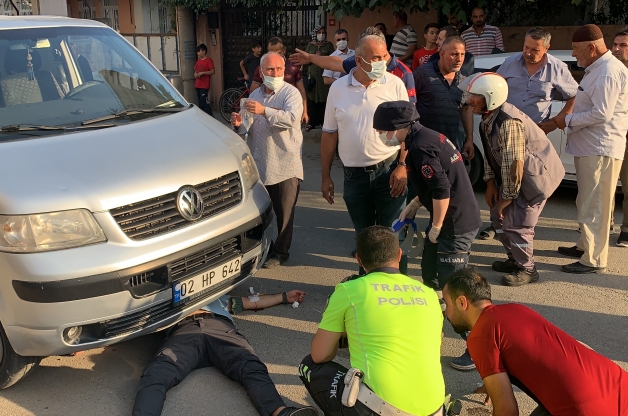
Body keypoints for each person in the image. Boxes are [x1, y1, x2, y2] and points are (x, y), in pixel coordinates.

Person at [376, 100, 480, 372]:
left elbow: (442, 188)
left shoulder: (421, 146)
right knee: (431, 277)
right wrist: (413, 206)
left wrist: (436, 225)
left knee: (453, 288)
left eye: (383, 131)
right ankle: (434, 331)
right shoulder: (424, 138)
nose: (382, 136)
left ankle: (477, 346)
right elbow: (431, 186)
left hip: (455, 225)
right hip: (449, 220)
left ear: (398, 127)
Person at [298, 226, 446, 416]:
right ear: (399, 255)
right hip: (434, 409)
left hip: (382, 410)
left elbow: (320, 355)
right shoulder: (429, 294)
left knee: (308, 366)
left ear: (359, 259)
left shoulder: (349, 290)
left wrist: (344, 337)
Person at [442, 267, 628, 416]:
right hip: (617, 385)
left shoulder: (479, 336)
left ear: (462, 302)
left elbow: (507, 411)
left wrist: (499, 392)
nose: (446, 313)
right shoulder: (516, 309)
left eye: (447, 304)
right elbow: (534, 352)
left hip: (584, 409)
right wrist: (494, 384)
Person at [132, 290, 317, 416]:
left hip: (219, 327)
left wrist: (284, 296)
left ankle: (281, 412)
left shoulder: (217, 296)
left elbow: (251, 302)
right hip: (183, 331)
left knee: (250, 365)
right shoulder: (169, 295)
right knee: (157, 372)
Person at [461, 72, 564, 286]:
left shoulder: (509, 123)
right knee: (499, 218)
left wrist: (506, 199)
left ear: (491, 97)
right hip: (515, 178)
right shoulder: (488, 118)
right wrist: (490, 184)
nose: (470, 100)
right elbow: (491, 155)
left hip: (534, 179)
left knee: (519, 223)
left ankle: (528, 269)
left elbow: (514, 166)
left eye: (475, 96)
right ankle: (514, 260)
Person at [320, 32, 410, 274]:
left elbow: (407, 130)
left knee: (393, 236)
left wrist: (403, 166)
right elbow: (329, 134)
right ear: (359, 61)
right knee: (365, 239)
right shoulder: (338, 89)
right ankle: (369, 289)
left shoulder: (395, 84)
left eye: (385, 56)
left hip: (390, 172)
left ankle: (399, 291)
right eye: (377, 57)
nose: (384, 61)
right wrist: (325, 176)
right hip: (354, 178)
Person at [552, 24, 628, 274]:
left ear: (592, 48)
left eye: (576, 49)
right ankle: (585, 244)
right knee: (587, 200)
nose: (574, 54)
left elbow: (602, 113)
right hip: (591, 147)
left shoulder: (607, 71)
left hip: (600, 147)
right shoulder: (599, 67)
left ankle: (594, 259)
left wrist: (569, 120)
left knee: (595, 204)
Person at [232, 52, 303, 268]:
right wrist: (238, 123)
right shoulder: (253, 96)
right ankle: (260, 248)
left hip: (285, 164)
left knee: (285, 212)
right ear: (261, 73)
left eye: (279, 69)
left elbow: (291, 119)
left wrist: (265, 111)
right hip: (260, 163)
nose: (275, 73)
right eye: (270, 70)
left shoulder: (291, 94)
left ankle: (280, 252)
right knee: (260, 212)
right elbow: (245, 128)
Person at [289, 27, 417, 105]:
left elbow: (409, 112)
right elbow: (335, 63)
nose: (362, 59)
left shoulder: (404, 74)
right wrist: (310, 57)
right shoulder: (360, 63)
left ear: (382, 46)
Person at [496, 27, 579, 130]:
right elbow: (493, 88)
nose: (528, 53)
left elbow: (576, 96)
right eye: (526, 47)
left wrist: (556, 121)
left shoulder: (557, 68)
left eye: (535, 50)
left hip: (536, 131)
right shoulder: (510, 63)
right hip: (506, 128)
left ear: (546, 48)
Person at [413, 36, 475, 155]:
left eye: (462, 54)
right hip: (426, 146)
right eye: (454, 54)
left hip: (454, 147)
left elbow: (466, 108)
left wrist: (469, 140)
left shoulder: (465, 79)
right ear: (442, 54)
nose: (459, 59)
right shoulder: (422, 74)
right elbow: (410, 105)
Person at [251, 37, 309, 125]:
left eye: (278, 53)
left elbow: (301, 89)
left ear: (284, 51)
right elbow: (254, 90)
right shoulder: (262, 68)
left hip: (290, 108)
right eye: (271, 52)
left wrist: (305, 110)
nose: (275, 74)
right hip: (266, 114)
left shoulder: (293, 66)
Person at [611, 28, 628, 247]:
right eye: (614, 44)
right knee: (605, 185)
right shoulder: (609, 70)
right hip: (610, 134)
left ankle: (627, 229)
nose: (616, 49)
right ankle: (604, 225)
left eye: (622, 45)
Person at [304, 26, 334, 131]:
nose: (321, 34)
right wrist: (313, 58)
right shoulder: (310, 46)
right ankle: (311, 123)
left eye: (323, 32)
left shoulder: (328, 45)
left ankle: (323, 122)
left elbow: (332, 59)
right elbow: (305, 59)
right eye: (319, 32)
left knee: (324, 100)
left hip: (324, 78)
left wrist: (321, 58)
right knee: (312, 100)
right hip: (312, 78)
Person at [194, 43, 215, 116]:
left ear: (204, 51)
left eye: (199, 51)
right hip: (198, 84)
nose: (198, 53)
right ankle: (203, 116)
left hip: (204, 85)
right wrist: (196, 74)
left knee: (204, 101)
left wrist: (203, 73)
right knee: (200, 102)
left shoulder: (209, 60)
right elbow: (195, 71)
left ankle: (211, 116)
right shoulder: (198, 61)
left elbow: (212, 71)